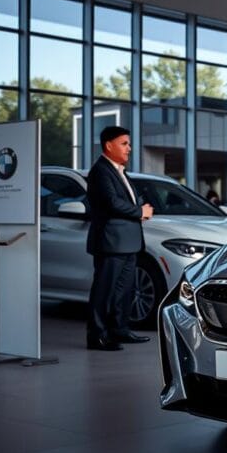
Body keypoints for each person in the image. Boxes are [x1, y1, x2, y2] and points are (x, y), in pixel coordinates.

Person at [86, 126, 153, 351]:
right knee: (104, 291)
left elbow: (135, 199)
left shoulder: (120, 171)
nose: (129, 149)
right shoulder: (100, 171)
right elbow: (112, 203)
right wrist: (139, 212)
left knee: (124, 290)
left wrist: (142, 208)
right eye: (124, 143)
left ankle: (119, 330)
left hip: (129, 241)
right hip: (111, 241)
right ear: (109, 145)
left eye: (129, 144)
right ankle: (97, 336)